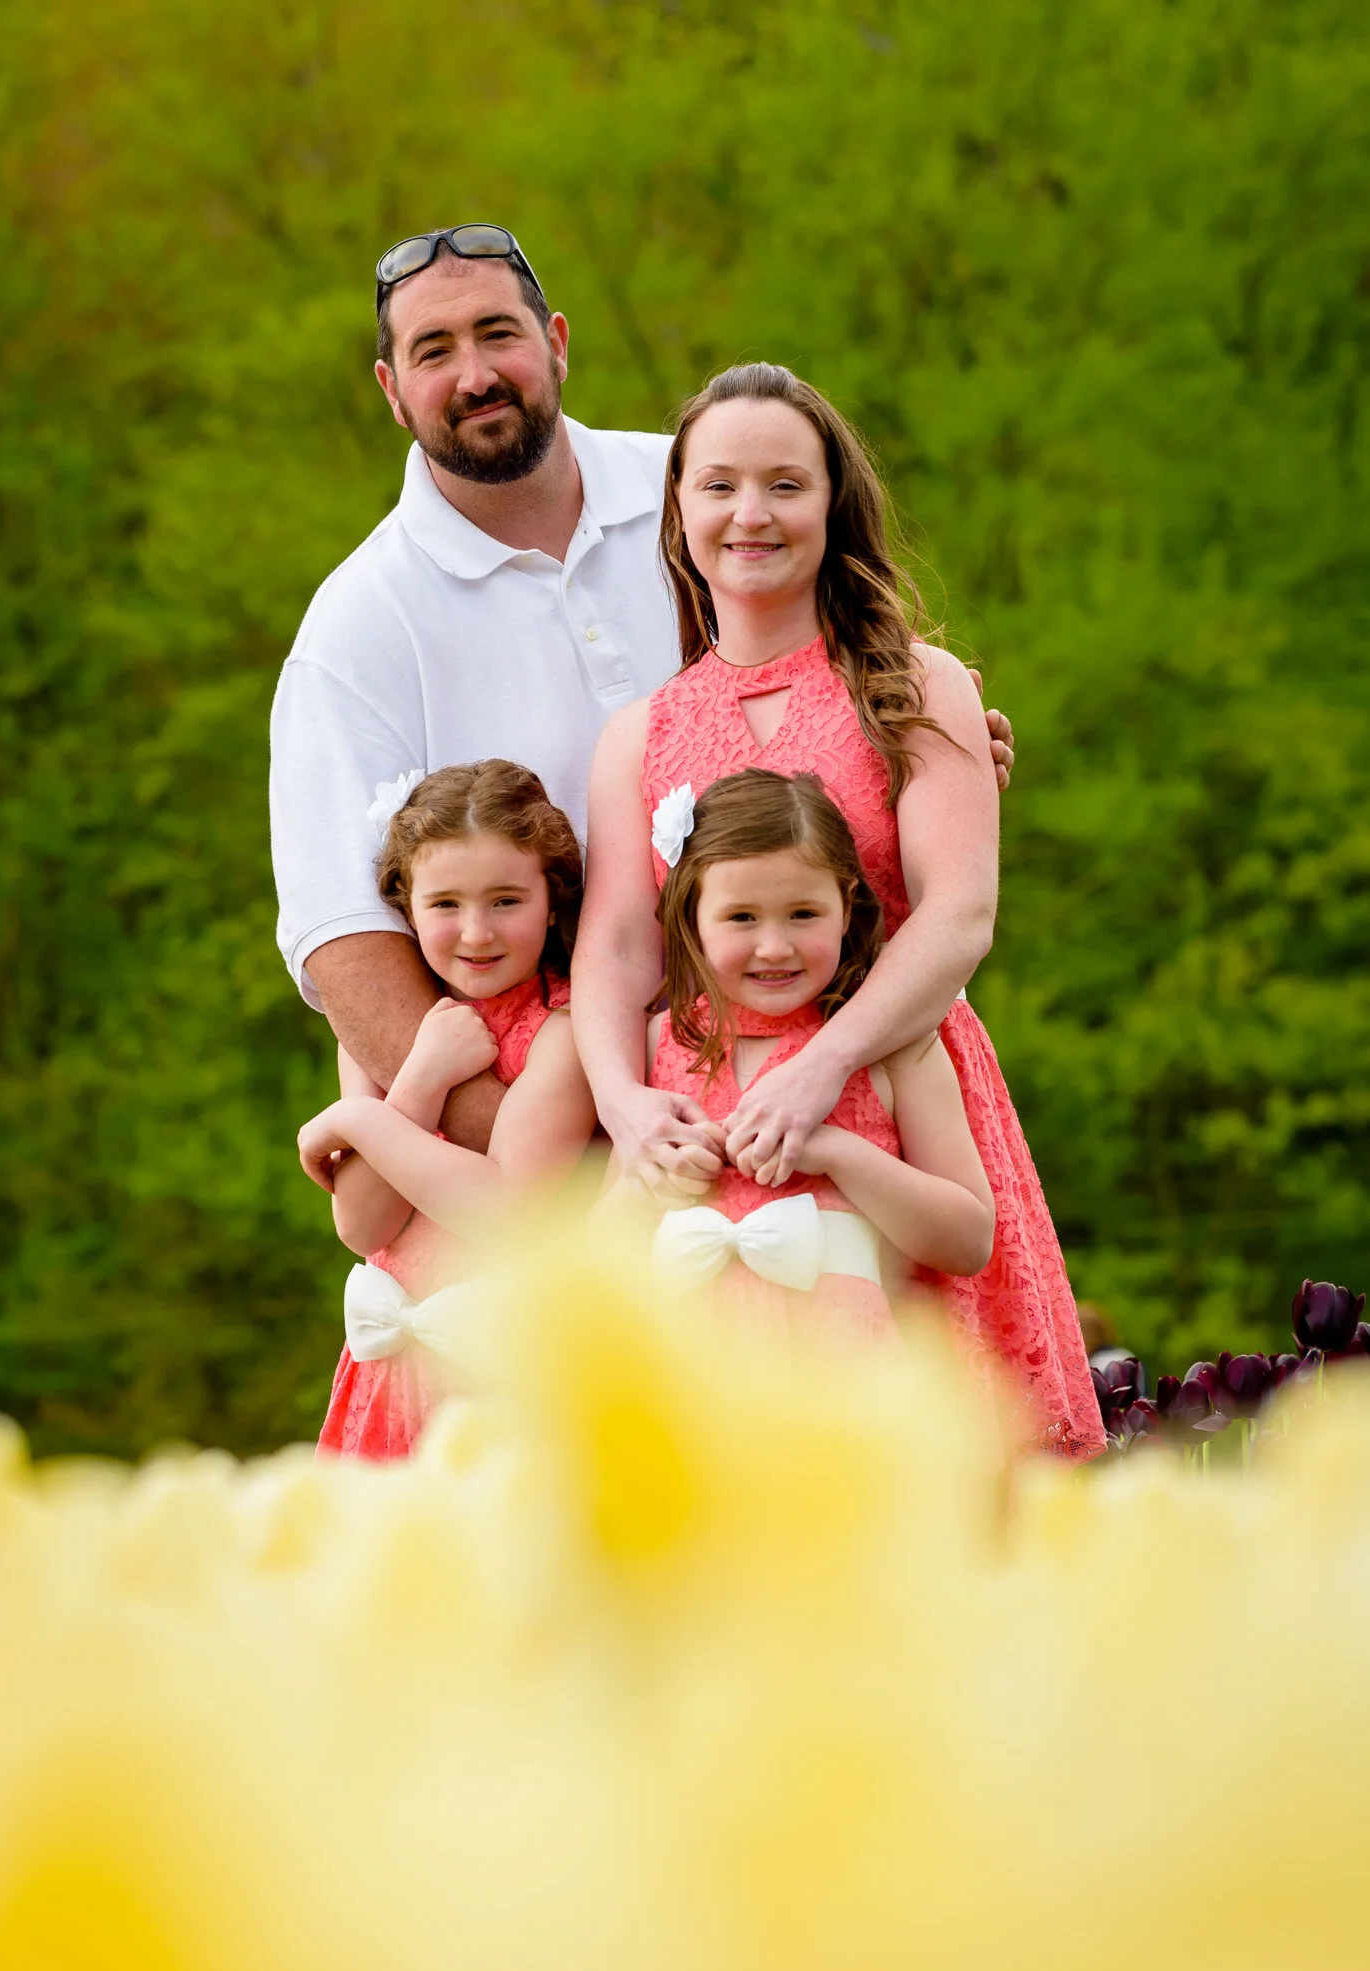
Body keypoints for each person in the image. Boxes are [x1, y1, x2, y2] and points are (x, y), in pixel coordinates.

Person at [269, 223, 1015, 1151]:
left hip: (848, 1078)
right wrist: (554, 1177)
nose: (474, 375)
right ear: (390, 389)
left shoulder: (699, 486)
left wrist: (937, 759)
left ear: (557, 343)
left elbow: (863, 686)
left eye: (499, 333)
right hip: (583, 1130)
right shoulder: (357, 627)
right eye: (433, 350)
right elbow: (345, 944)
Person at [573, 362, 1102, 1456]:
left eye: (784, 484)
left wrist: (827, 1063)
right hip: (718, 1123)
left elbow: (957, 914)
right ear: (677, 513)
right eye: (718, 485)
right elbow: (619, 943)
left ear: (832, 502)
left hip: (901, 1103)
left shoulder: (915, 688)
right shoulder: (640, 732)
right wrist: (625, 1101)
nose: (749, 514)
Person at [626, 768, 994, 1346]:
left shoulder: (896, 1047)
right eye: (741, 917)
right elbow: (600, 1234)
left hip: (842, 1373)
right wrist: (647, 1182)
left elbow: (969, 1241)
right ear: (692, 918)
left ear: (846, 909)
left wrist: (836, 1153)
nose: (775, 946)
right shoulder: (660, 1041)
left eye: (803, 914)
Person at [296, 761, 596, 1460]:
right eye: (445, 905)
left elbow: (504, 1208)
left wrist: (358, 1122)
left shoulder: (565, 1029)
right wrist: (422, 1074)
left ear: (552, 900)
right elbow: (361, 1223)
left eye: (505, 901)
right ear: (406, 906)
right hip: (389, 1377)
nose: (476, 932)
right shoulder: (387, 1028)